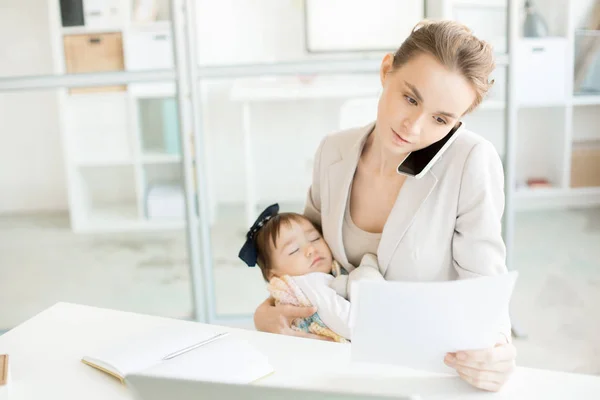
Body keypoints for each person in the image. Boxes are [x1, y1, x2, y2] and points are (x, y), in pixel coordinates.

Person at [253, 19, 517, 392]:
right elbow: (305, 264)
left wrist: (499, 349)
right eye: (410, 98)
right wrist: (268, 314)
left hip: (424, 374)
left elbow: (484, 287)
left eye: (440, 119)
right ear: (386, 70)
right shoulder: (333, 151)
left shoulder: (471, 161)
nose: (413, 126)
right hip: (335, 369)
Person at [238, 203, 384, 342]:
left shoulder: (322, 275)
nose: (310, 249)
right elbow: (349, 324)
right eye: (294, 250)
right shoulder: (309, 283)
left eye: (315, 238)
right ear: (274, 275)